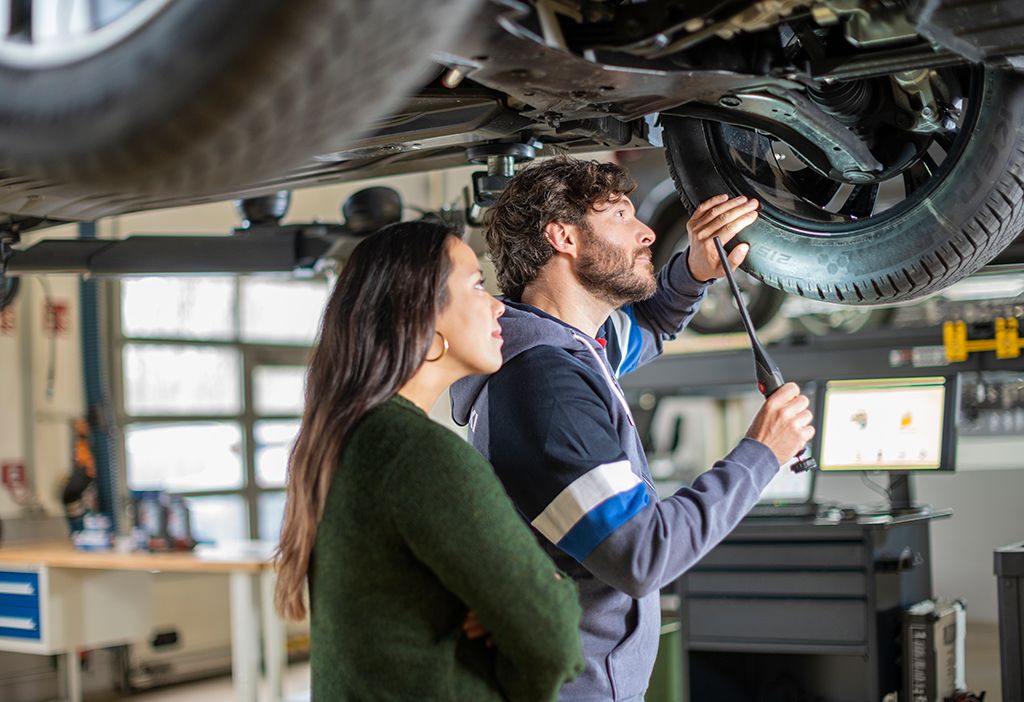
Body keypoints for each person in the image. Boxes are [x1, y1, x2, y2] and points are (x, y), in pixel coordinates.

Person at [451, 158, 814, 701]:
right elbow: (641, 556)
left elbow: (650, 324)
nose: (646, 231)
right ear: (564, 236)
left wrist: (692, 270)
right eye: (620, 214)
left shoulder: (566, 348)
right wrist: (761, 453)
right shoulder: (546, 384)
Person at [275, 221, 584, 701]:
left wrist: (505, 608)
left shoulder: (348, 440)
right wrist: (545, 596)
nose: (498, 305)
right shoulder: (419, 455)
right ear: (422, 311)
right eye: (477, 285)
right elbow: (554, 637)